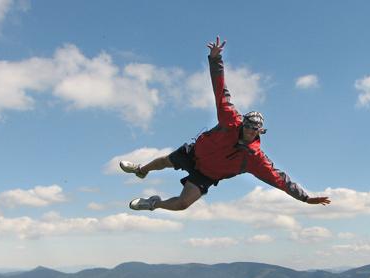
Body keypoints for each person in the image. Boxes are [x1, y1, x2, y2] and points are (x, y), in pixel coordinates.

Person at [120, 36, 331, 211]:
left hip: (206, 174)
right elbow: (220, 90)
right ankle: (141, 169)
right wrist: (215, 59)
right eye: (247, 125)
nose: (248, 130)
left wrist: (305, 198)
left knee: (184, 203)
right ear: (243, 123)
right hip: (194, 153)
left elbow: (281, 181)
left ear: (260, 131)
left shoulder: (255, 159)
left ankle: (153, 203)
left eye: (253, 128)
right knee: (165, 161)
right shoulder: (230, 120)